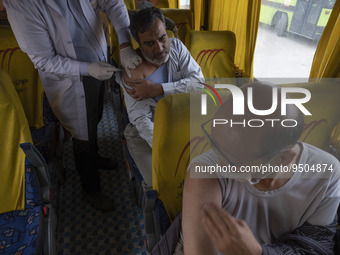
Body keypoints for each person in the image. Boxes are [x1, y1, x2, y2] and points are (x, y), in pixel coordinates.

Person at [3, 0, 142, 212]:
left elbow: (112, 2)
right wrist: (87, 69)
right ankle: (90, 187)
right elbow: (44, 60)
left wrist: (124, 44)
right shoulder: (22, 5)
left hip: (97, 58)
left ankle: (94, 158)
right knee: (82, 134)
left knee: (94, 117)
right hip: (70, 76)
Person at [181, 82, 340, 254]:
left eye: (231, 160)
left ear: (283, 158)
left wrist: (257, 252)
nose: (218, 165)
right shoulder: (205, 172)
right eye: (214, 143)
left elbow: (315, 247)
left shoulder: (327, 174)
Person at [115, 7, 204, 187]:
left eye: (163, 38)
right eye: (149, 43)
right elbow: (141, 118)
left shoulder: (177, 47)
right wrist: (166, 148)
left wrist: (158, 89)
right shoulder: (133, 70)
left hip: (182, 120)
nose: (160, 48)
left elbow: (199, 83)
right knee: (164, 182)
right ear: (138, 44)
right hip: (148, 132)